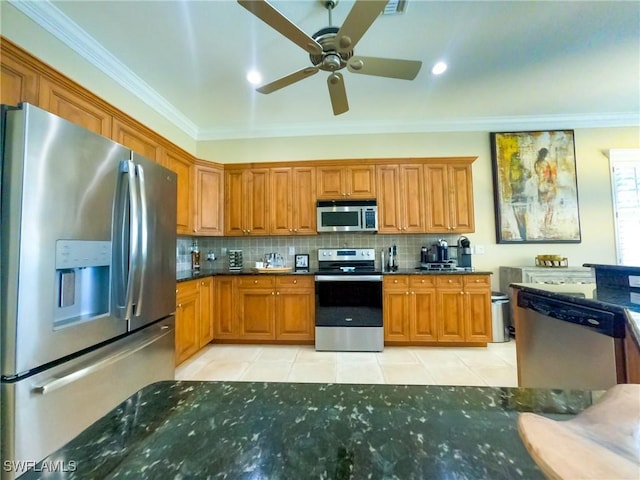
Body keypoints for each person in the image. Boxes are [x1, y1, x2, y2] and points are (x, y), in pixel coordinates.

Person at [534, 148, 557, 231]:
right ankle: (547, 224)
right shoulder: (545, 163)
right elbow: (548, 175)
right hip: (546, 186)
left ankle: (545, 224)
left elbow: (539, 174)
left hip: (541, 186)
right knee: (550, 207)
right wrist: (553, 185)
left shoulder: (536, 163)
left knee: (545, 206)